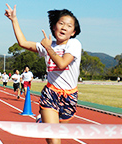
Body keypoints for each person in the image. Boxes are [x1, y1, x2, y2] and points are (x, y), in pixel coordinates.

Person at [5, 4, 81, 144]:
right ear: (53, 27)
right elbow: (23, 42)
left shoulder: (74, 44)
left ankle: (42, 122)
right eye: (61, 23)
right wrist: (14, 20)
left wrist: (47, 47)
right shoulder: (48, 45)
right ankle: (45, 121)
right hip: (51, 93)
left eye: (69, 26)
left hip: (70, 95)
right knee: (54, 140)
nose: (64, 27)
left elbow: (62, 63)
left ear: (73, 32)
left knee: (58, 133)